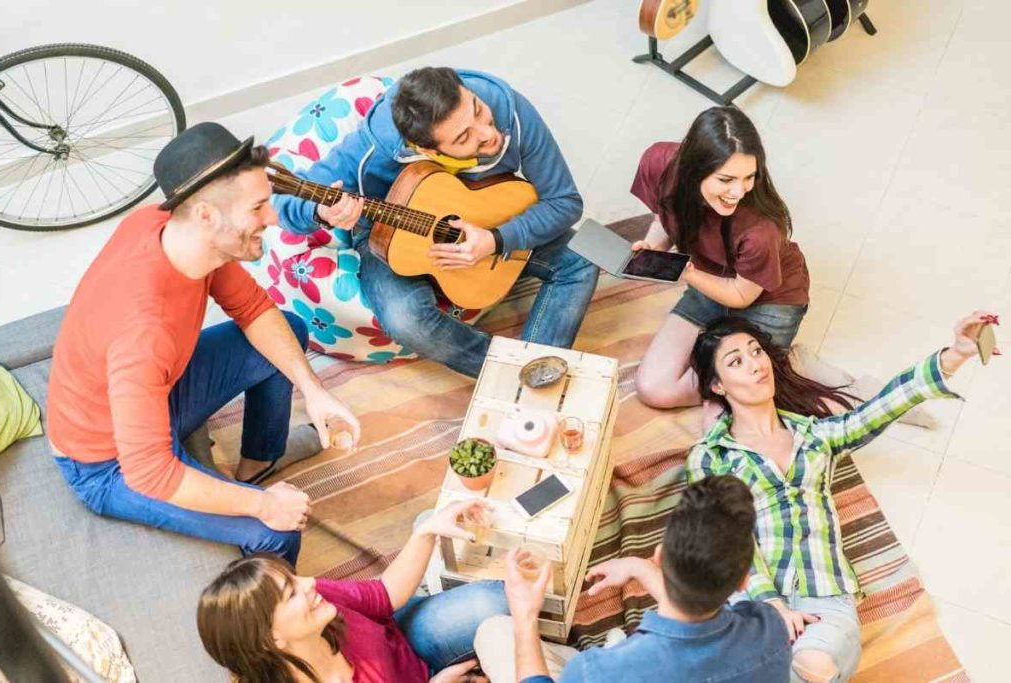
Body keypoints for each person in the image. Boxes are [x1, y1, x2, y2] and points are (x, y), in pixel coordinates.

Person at [46, 123, 360, 566]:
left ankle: (258, 464)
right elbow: (150, 473)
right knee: (275, 532)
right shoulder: (142, 330)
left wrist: (314, 392)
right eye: (259, 207)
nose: (272, 219)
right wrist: (262, 505)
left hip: (158, 395)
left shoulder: (170, 229)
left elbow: (253, 309)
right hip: (108, 463)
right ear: (208, 215)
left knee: (287, 329)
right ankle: (272, 629)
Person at [685, 311, 1000, 682]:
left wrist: (955, 355)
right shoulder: (711, 456)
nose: (755, 365)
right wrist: (769, 604)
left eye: (756, 351)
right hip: (751, 595)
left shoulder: (819, 436)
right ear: (718, 386)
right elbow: (727, 537)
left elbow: (884, 406)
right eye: (736, 361)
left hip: (826, 594)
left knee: (815, 666)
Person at [274, 66, 599, 378]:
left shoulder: (506, 107)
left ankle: (537, 366)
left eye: (477, 110)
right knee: (405, 319)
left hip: (489, 217)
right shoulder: (372, 147)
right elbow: (285, 204)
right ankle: (507, 372)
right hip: (389, 235)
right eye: (464, 138)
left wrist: (496, 238)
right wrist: (321, 213)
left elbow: (565, 201)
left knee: (584, 259)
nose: (489, 132)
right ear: (427, 150)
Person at [479, 475, 792, 682]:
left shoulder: (595, 672)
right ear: (742, 581)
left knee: (494, 632)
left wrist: (524, 616)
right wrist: (641, 571)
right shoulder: (770, 630)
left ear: (658, 555)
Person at [197, 499, 508, 682]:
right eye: (291, 593)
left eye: (294, 577)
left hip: (406, 640)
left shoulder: (321, 601)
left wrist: (427, 532)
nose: (308, 583)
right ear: (270, 639)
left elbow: (384, 594)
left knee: (491, 598)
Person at [629, 106, 810, 410]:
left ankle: (789, 365)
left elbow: (740, 294)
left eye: (749, 177)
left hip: (769, 301)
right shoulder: (658, 163)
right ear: (693, 169)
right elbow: (664, 216)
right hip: (710, 283)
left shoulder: (760, 229)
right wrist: (653, 246)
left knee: (742, 390)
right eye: (726, 179)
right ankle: (763, 364)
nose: (738, 191)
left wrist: (688, 274)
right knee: (653, 389)